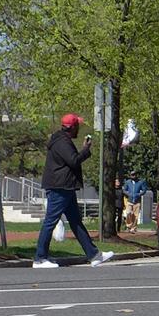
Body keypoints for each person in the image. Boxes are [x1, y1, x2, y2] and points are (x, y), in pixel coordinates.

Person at [34, 113, 113, 269]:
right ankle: (39, 258)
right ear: (72, 127)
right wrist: (85, 149)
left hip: (65, 187)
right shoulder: (62, 142)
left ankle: (94, 255)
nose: (79, 129)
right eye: (78, 126)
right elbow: (74, 161)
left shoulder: (61, 140)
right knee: (50, 221)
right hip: (60, 187)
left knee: (76, 222)